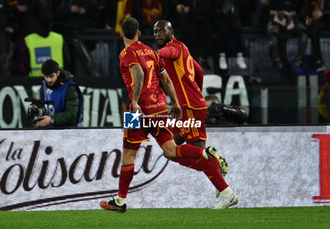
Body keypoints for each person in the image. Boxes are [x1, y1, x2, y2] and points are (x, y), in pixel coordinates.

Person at [99, 17, 238, 213]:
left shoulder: (126, 52)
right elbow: (165, 77)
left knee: (128, 156)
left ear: (121, 34)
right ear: (139, 34)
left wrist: (136, 101)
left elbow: (138, 73)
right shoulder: (151, 51)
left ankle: (120, 201)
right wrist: (175, 103)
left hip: (137, 110)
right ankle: (206, 156)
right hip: (160, 107)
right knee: (171, 150)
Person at [153, 19, 235, 198]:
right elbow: (199, 71)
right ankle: (216, 166)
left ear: (171, 31)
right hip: (188, 107)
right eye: (155, 32)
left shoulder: (173, 48)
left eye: (161, 31)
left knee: (198, 155)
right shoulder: (184, 50)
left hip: (189, 107)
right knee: (170, 151)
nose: (158, 34)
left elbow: (166, 51)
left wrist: (150, 54)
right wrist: (196, 93)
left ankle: (226, 191)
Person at [35, 59, 83, 128]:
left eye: (51, 76)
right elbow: (50, 108)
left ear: (58, 73)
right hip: (53, 129)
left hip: (69, 130)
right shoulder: (46, 85)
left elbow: (72, 113)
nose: (49, 80)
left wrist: (51, 119)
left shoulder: (70, 88)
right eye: (46, 76)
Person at [267, 0, 308, 71]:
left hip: (293, 19)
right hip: (276, 19)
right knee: (272, 32)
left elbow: (301, 9)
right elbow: (266, 8)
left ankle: (299, 59)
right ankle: (276, 60)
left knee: (303, 32)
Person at [304, 0, 330, 72]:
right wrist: (308, 18)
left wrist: (322, 13)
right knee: (314, 30)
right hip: (318, 21)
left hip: (327, 18)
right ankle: (318, 60)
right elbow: (307, 11)